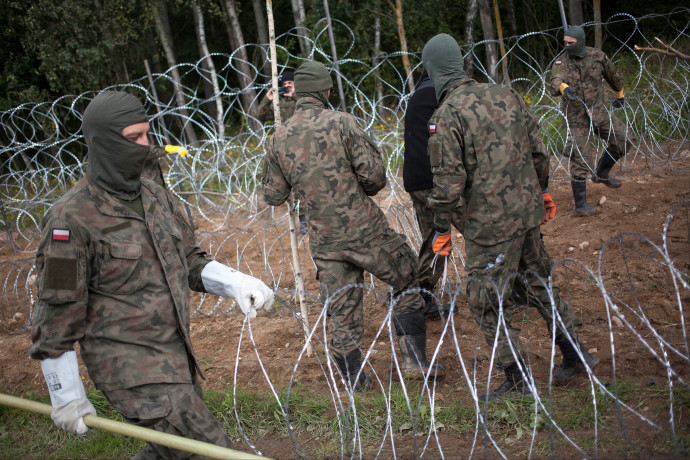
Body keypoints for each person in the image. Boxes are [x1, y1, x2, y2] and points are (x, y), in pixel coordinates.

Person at [29, 91, 274, 457]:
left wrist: (234, 282)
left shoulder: (155, 196)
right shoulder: (71, 219)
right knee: (211, 452)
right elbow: (57, 312)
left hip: (176, 357)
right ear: (104, 141)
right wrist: (65, 394)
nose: (145, 146)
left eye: (147, 134)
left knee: (170, 453)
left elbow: (189, 258)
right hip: (131, 371)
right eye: (133, 138)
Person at [422, 34, 598, 401]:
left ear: (433, 71)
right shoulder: (505, 94)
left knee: (486, 299)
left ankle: (517, 380)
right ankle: (575, 354)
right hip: (527, 211)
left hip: (490, 227)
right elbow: (538, 150)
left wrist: (441, 229)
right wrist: (544, 192)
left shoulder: (447, 115)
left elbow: (448, 184)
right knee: (539, 283)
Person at [262, 61, 445, 391]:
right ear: (325, 91)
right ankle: (413, 361)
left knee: (343, 306)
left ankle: (354, 384)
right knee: (407, 275)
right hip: (365, 230)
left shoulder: (279, 138)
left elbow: (274, 194)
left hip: (324, 239)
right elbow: (374, 178)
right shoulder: (341, 123)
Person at [549, 25, 633, 216]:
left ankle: (602, 173)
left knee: (623, 139)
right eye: (565, 42)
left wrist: (619, 95)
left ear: (580, 41)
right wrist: (564, 88)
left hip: (599, 112)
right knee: (581, 159)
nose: (567, 45)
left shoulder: (597, 56)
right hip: (577, 117)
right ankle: (581, 206)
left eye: (571, 42)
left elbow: (612, 74)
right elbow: (554, 82)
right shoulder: (561, 62)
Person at [403, 72, 456, 319]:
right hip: (436, 180)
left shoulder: (418, 95)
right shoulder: (437, 94)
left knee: (433, 238)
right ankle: (502, 287)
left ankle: (423, 298)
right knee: (481, 231)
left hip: (416, 179)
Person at [258, 70, 308, 235]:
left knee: (305, 185)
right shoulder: (278, 103)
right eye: (285, 84)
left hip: (302, 146)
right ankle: (301, 221)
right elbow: (260, 115)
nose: (287, 87)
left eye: (290, 84)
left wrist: (295, 94)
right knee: (292, 186)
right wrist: (269, 98)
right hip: (284, 149)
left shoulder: (300, 100)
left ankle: (307, 222)